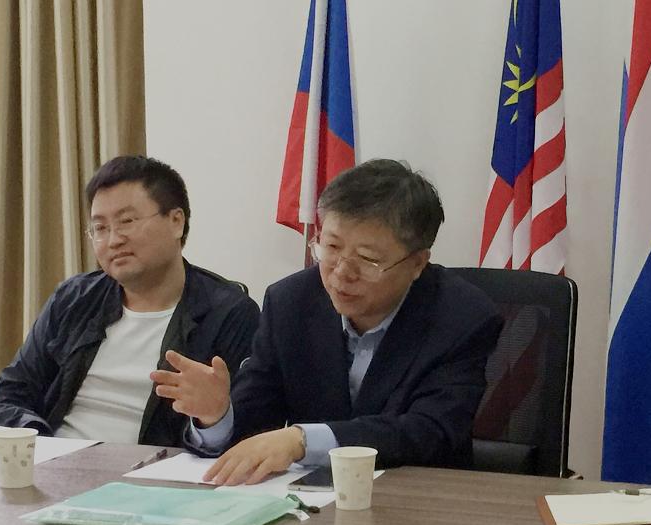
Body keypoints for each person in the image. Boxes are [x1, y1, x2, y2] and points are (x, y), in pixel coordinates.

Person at [152, 159, 503, 485]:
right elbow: (257, 420)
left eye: (367, 259)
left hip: (420, 501)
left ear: (416, 264)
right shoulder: (290, 302)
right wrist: (217, 416)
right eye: (331, 247)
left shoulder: (462, 317)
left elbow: (429, 432)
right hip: (308, 505)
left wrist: (303, 440)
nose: (341, 272)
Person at [0, 155, 260, 447]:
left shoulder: (229, 314)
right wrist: (43, 445)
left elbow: (251, 435)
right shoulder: (73, 300)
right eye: (100, 228)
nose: (113, 240)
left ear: (176, 222)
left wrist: (214, 417)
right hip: (55, 460)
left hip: (151, 469)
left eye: (127, 221)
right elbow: (4, 400)